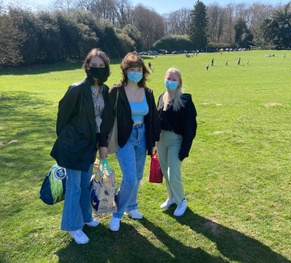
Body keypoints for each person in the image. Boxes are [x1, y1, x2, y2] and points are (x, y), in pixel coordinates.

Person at [50, 48, 113, 244]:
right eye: (93, 65)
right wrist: (69, 139)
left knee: (86, 184)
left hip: (90, 145)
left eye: (101, 66)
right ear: (87, 66)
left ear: (106, 68)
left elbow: (106, 121)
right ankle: (73, 225)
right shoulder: (76, 89)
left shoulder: (106, 91)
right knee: (74, 187)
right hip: (73, 145)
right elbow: (62, 118)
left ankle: (86, 217)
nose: (97, 69)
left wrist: (103, 144)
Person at [108, 52, 160, 232]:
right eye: (132, 69)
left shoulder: (147, 92)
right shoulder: (116, 91)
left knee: (137, 177)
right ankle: (116, 214)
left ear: (143, 71)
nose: (136, 72)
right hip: (125, 138)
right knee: (129, 178)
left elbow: (152, 118)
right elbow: (108, 118)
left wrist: (153, 141)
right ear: (125, 70)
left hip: (142, 136)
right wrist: (103, 144)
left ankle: (132, 206)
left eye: (139, 69)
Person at [156, 67, 197, 217]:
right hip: (161, 141)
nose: (170, 81)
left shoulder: (185, 100)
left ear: (179, 82)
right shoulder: (161, 97)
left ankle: (181, 201)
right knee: (166, 172)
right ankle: (171, 197)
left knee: (173, 174)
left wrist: (184, 149)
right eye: (168, 78)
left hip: (175, 141)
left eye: (174, 79)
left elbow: (190, 127)